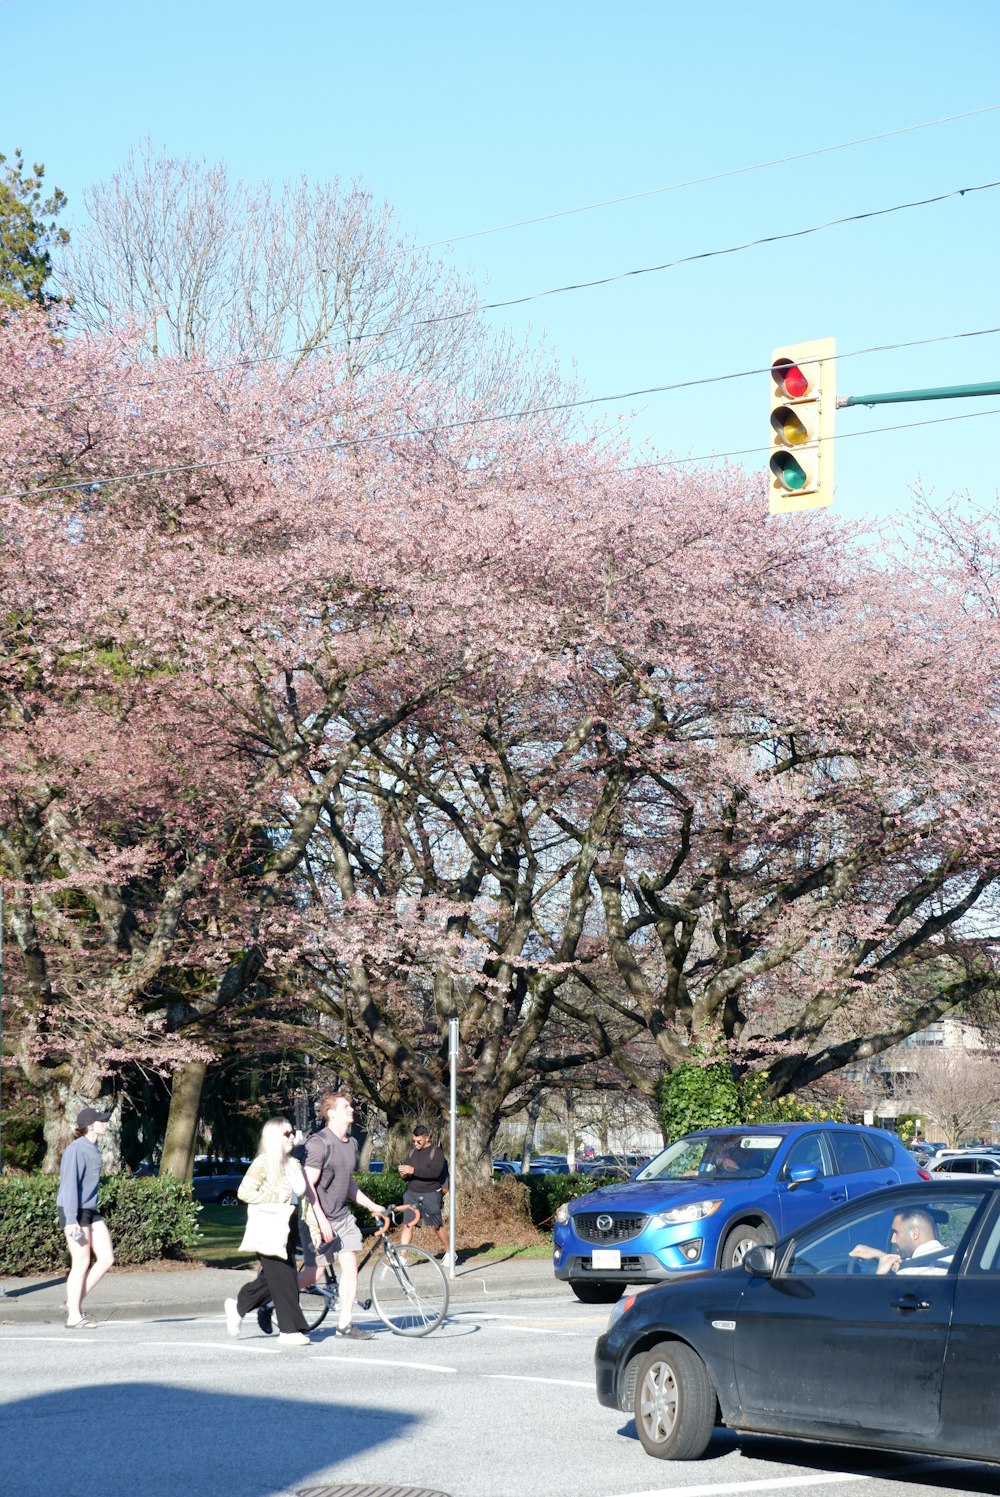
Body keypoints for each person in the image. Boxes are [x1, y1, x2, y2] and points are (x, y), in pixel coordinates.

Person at [299, 1092, 389, 1340]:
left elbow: (348, 1184)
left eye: (350, 1105)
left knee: (350, 1265)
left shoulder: (351, 1144)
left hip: (342, 1216)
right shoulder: (318, 1144)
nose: (351, 1109)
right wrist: (321, 1221)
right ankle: (275, 1295)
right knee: (313, 1275)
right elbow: (308, 1187)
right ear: (331, 1113)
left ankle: (345, 1324)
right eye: (345, 1106)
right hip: (317, 1218)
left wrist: (372, 1205)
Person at [224, 1117, 315, 1346]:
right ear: (274, 1137)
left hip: (290, 1226)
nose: (292, 1136)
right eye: (286, 1133)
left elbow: (302, 1197)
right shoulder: (263, 1163)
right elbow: (244, 1192)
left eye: (292, 1132)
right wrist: (274, 1196)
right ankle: (289, 1331)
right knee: (285, 1279)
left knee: (273, 1279)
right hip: (270, 1227)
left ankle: (238, 1307)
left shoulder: (294, 1163)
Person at [56, 1106, 116, 1329]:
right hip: (74, 1211)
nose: (106, 1124)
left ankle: (73, 1303)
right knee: (81, 1262)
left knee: (107, 1258)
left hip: (90, 1210)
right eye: (102, 1121)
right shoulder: (76, 1149)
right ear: (90, 1126)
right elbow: (69, 1185)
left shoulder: (94, 1146)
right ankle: (74, 1315)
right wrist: (71, 1220)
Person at [398, 1122, 452, 1266]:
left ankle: (450, 1252)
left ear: (427, 1138)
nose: (416, 1144)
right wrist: (404, 1175)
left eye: (418, 1141)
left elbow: (434, 1173)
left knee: (436, 1225)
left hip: (430, 1193)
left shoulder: (437, 1153)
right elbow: (409, 1173)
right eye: (413, 1141)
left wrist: (412, 1171)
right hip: (412, 1193)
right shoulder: (412, 1152)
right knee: (407, 1224)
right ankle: (402, 1257)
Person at [849, 1207, 953, 1276]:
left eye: (896, 1232)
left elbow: (873, 1305)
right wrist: (879, 1255)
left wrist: (880, 1275)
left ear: (914, 1234)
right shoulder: (959, 1258)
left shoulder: (907, 1275)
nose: (892, 1240)